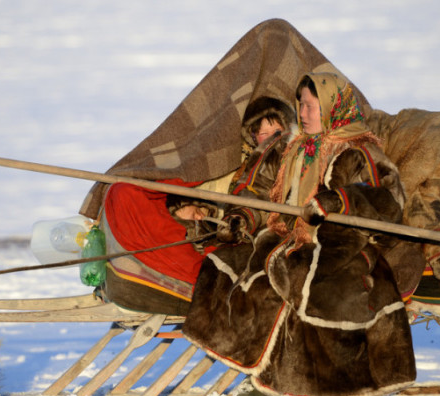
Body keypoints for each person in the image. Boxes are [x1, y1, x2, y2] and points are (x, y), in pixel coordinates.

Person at [183, 72, 417, 396]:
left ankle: (325, 388)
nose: (303, 113)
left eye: (310, 106)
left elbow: (388, 202)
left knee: (306, 285)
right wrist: (243, 217)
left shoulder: (360, 152)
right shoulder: (291, 149)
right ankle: (261, 376)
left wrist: (336, 202)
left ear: (330, 107)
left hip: (342, 247)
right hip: (287, 239)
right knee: (230, 268)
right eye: (301, 105)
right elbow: (261, 193)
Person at [98, 97, 296, 316]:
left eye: (277, 131)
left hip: (239, 238)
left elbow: (258, 199)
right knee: (125, 193)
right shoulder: (233, 159)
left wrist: (238, 220)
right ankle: (141, 273)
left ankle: (196, 282)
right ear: (252, 135)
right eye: (263, 133)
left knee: (126, 195)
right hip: (204, 229)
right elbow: (203, 187)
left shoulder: (286, 162)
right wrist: (186, 207)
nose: (270, 139)